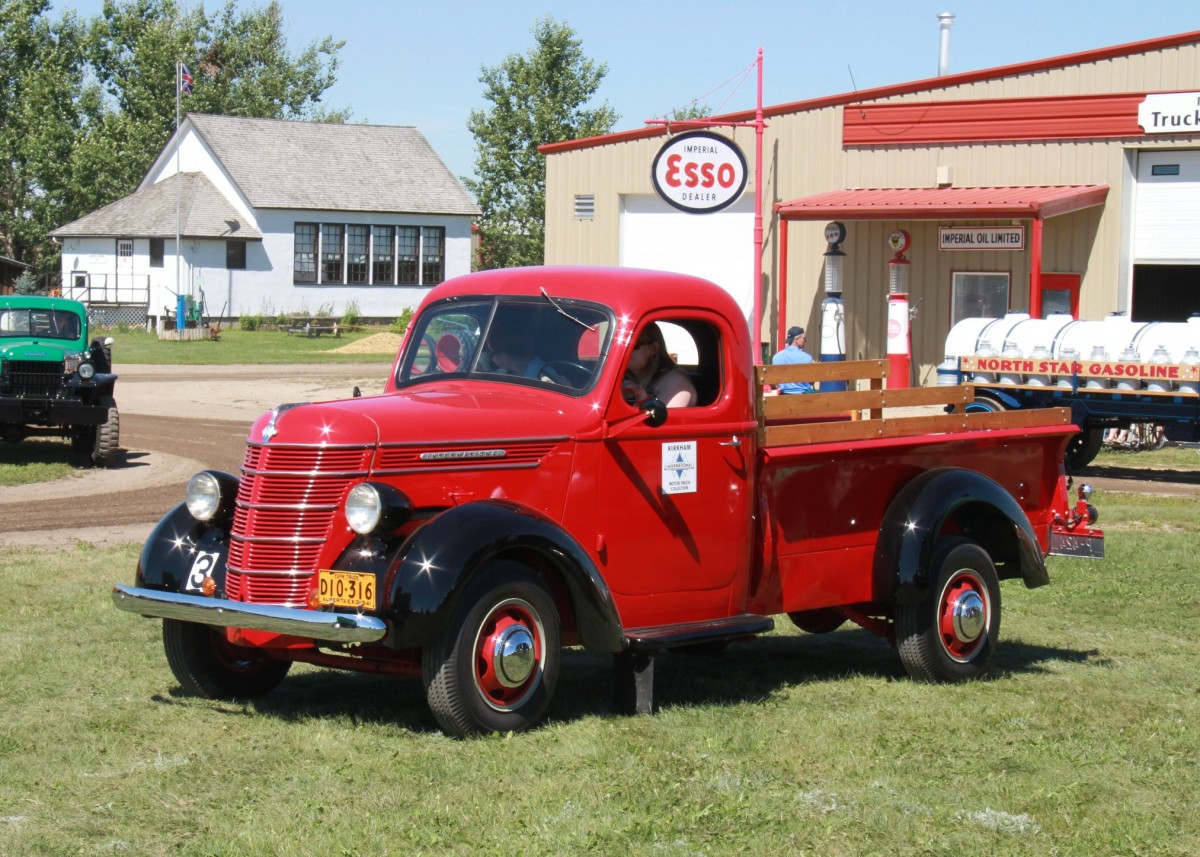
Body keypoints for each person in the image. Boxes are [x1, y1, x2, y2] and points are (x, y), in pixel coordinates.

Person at [622, 322, 697, 408]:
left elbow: (664, 419)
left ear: (654, 348)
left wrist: (640, 395)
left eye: (634, 344)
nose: (625, 350)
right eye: (622, 345)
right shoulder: (623, 379)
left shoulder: (674, 380)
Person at [484, 326, 560, 382]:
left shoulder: (543, 377)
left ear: (504, 356)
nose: (489, 356)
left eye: (490, 352)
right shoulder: (515, 372)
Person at [771, 325, 814, 394]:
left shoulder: (776, 357)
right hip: (803, 397)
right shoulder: (807, 357)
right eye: (804, 338)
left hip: (784, 396)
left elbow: (775, 381)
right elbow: (811, 381)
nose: (805, 340)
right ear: (796, 340)